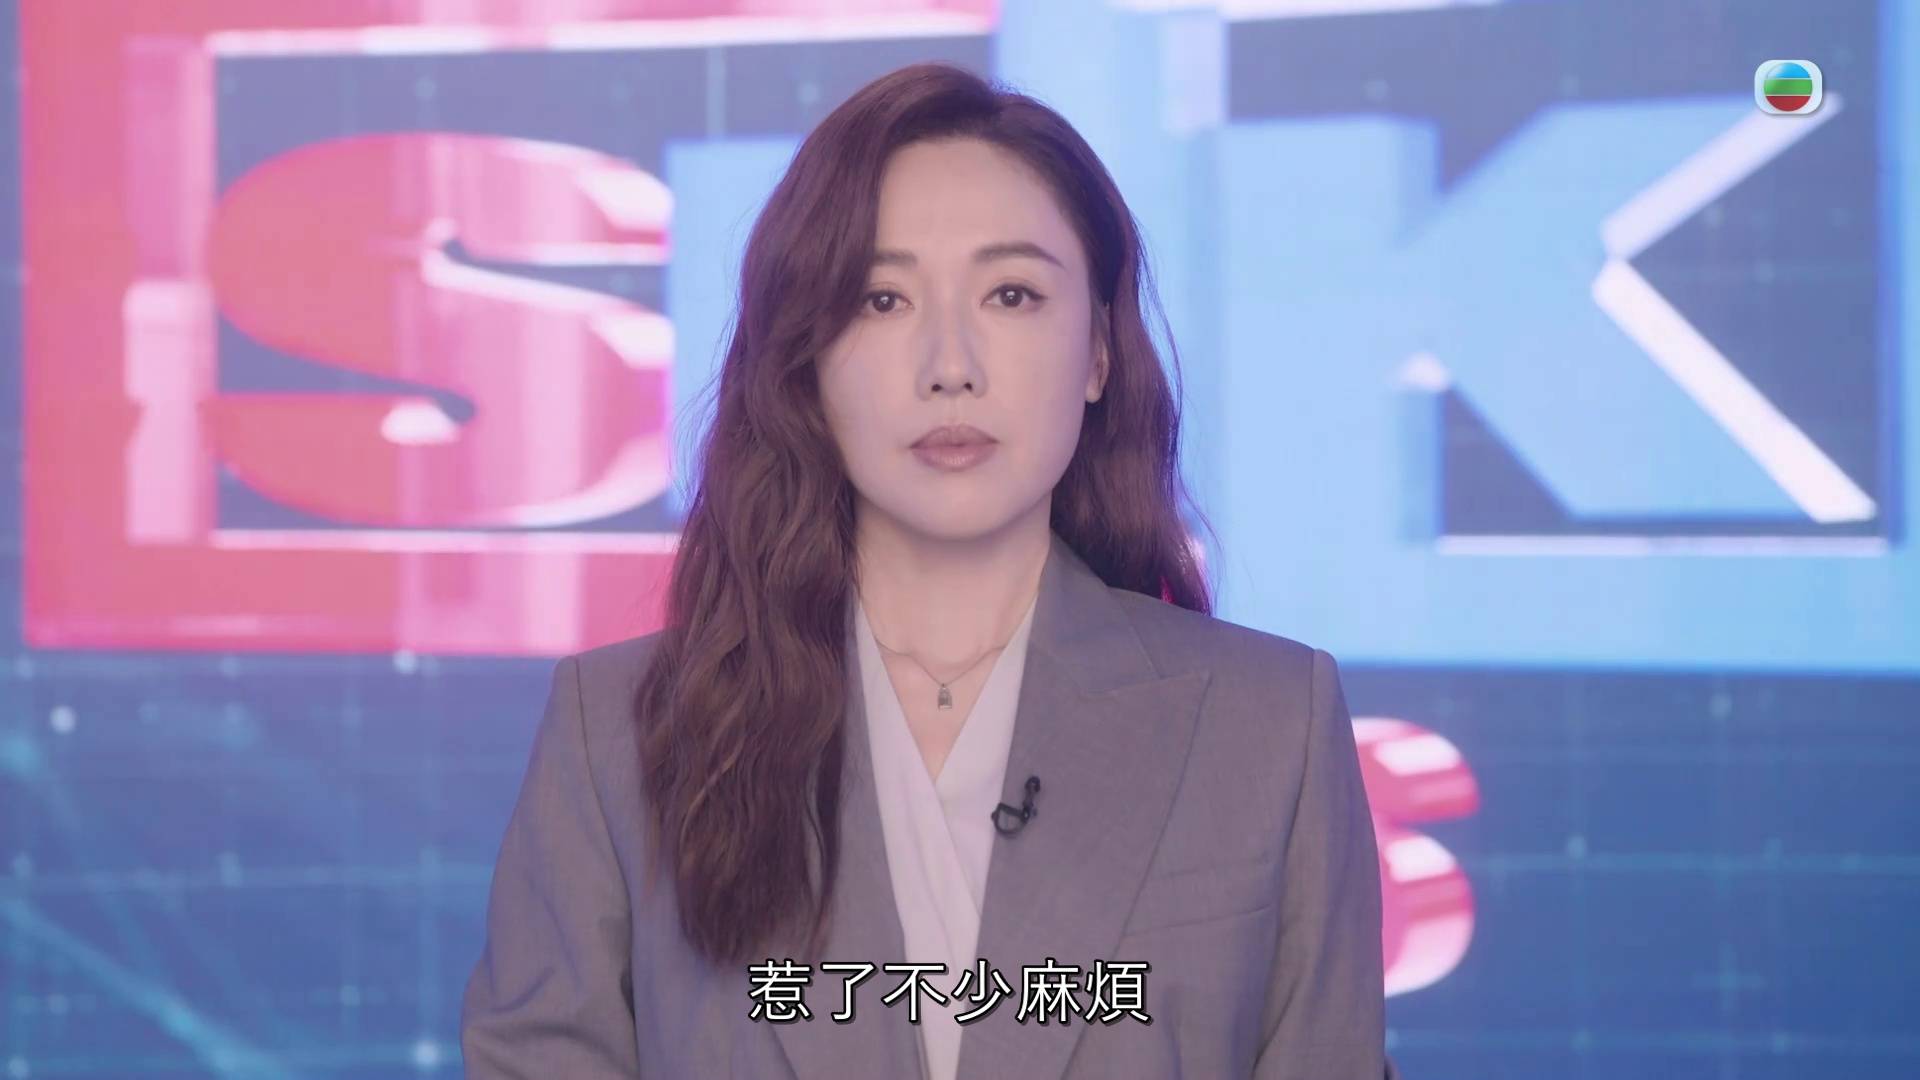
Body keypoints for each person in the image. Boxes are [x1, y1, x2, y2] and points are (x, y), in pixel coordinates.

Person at [460, 61, 1396, 1080]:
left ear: (1097, 352)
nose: (951, 366)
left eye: (1011, 294)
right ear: (807, 363)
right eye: (882, 298)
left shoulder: (1270, 726)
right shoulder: (621, 733)